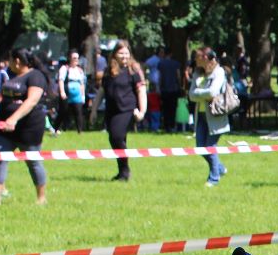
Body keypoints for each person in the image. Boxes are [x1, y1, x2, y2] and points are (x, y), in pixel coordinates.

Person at [0, 49, 50, 206]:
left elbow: (32, 101)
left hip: (28, 127)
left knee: (33, 161)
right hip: (5, 128)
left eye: (9, 59)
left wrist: (13, 119)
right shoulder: (11, 75)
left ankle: (41, 198)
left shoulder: (35, 76)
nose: (8, 63)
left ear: (17, 61)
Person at [98, 40, 147, 182]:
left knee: (116, 137)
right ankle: (122, 173)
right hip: (111, 111)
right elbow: (101, 91)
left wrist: (142, 111)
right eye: (121, 53)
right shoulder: (108, 71)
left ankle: (125, 170)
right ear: (115, 54)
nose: (124, 56)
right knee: (116, 140)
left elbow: (141, 90)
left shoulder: (133, 70)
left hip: (127, 110)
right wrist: (94, 110)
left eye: (126, 53)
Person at [188, 47, 230, 186]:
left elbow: (213, 92)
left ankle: (214, 178)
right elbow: (191, 95)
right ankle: (220, 168)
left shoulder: (219, 72)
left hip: (215, 115)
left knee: (210, 147)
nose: (195, 60)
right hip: (200, 115)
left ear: (205, 58)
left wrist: (199, 92)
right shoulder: (197, 73)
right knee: (201, 148)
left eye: (197, 57)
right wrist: (203, 94)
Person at [56, 50, 88, 133]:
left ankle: (80, 131)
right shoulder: (64, 68)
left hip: (77, 95)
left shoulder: (80, 70)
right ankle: (58, 128)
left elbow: (82, 84)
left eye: (77, 58)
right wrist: (62, 92)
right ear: (70, 58)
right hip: (67, 92)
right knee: (63, 111)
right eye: (74, 58)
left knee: (78, 112)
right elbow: (61, 80)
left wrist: (83, 96)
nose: (76, 60)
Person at [157, 48, 183, 133]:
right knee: (173, 108)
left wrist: (159, 87)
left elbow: (159, 77)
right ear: (171, 54)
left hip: (164, 89)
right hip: (174, 89)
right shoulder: (176, 63)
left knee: (165, 108)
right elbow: (178, 76)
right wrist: (180, 86)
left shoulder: (161, 63)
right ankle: (172, 125)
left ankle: (166, 125)